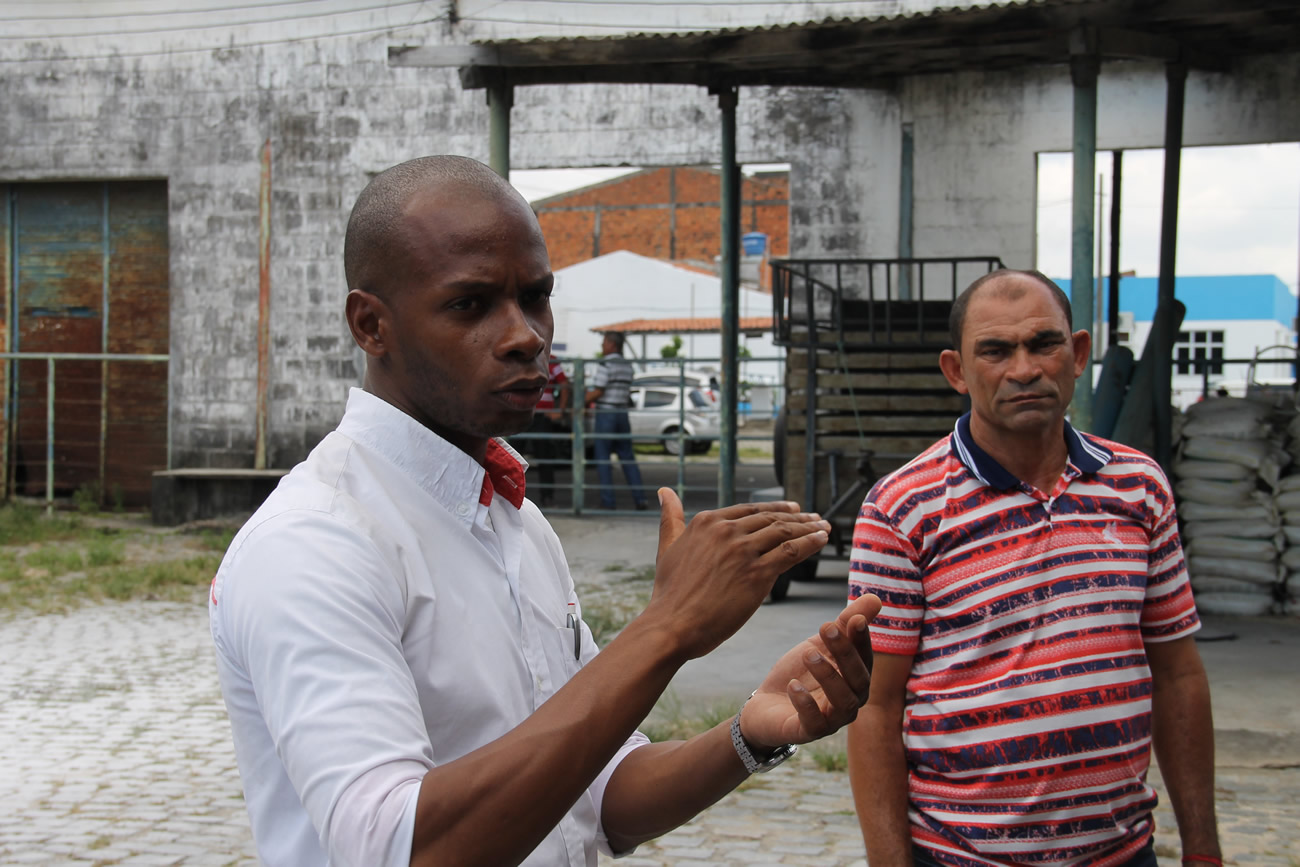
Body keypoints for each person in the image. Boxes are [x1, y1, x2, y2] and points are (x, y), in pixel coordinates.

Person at [209, 155, 883, 867]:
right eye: (470, 304)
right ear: (371, 325)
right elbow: (398, 850)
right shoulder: (315, 541)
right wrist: (665, 629)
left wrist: (751, 732)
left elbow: (598, 798)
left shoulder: (516, 521)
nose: (526, 335)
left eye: (535, 297)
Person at [845, 269, 1220, 865]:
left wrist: (1203, 849)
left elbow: (1178, 674)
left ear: (1078, 355)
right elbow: (874, 707)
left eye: (1043, 344)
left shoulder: (1139, 487)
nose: (1023, 369)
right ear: (956, 372)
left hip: (1122, 852)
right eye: (995, 351)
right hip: (961, 855)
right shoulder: (902, 508)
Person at [585, 331, 648, 510]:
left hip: (606, 413)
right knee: (627, 456)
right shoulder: (627, 366)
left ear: (612, 344)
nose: (602, 346)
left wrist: (580, 401)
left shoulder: (606, 363)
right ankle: (640, 499)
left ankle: (608, 501)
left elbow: (599, 390)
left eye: (604, 342)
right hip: (622, 413)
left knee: (603, 457)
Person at [524, 353, 570, 506]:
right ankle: (505, 497)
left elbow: (564, 384)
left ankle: (547, 496)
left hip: (541, 416)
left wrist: (560, 410)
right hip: (521, 413)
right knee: (512, 457)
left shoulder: (551, 359)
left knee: (544, 457)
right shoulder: (521, 354)